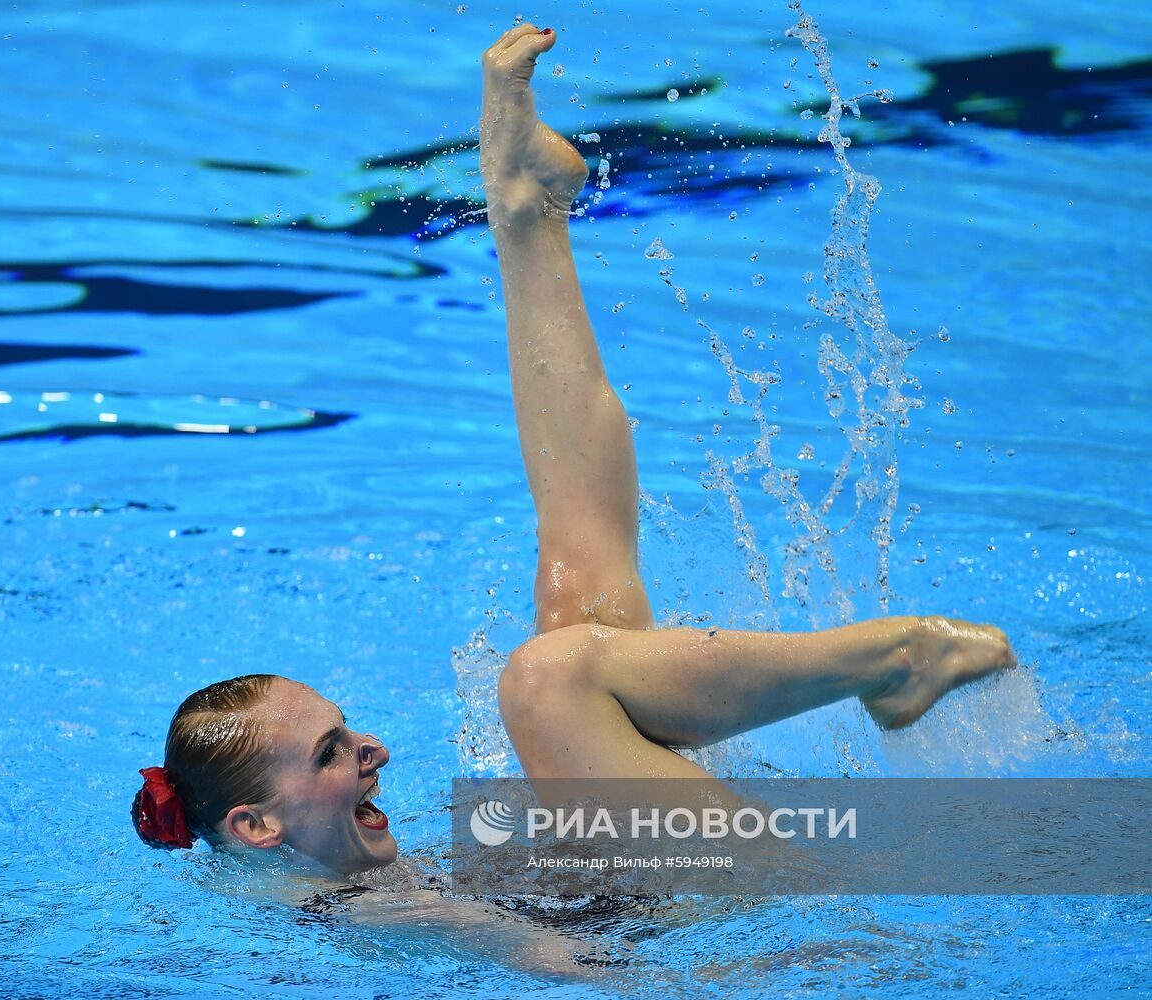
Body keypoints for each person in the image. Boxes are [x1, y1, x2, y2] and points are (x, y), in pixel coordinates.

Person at [132, 23, 1015, 876]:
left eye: (346, 732)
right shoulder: (367, 919)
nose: (376, 750)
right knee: (548, 681)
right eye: (332, 753)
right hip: (724, 938)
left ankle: (526, 211)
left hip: (670, 898)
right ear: (255, 826)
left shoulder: (350, 885)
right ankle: (893, 660)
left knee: (576, 602)